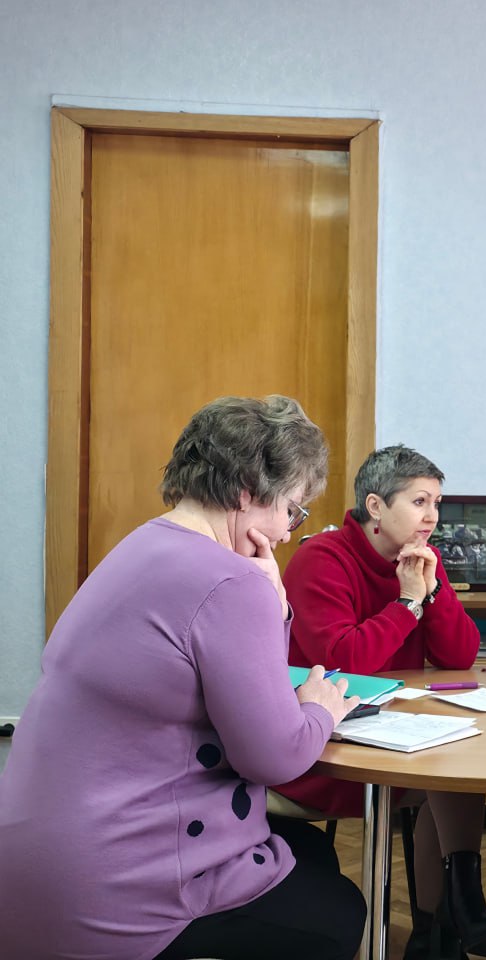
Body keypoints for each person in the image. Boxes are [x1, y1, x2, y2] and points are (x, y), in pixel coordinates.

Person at [0, 395, 366, 960]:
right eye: (292, 509)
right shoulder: (230, 581)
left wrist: (272, 601)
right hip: (113, 888)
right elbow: (274, 757)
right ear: (247, 491)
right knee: (339, 914)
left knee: (310, 853)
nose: (288, 532)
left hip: (33, 865)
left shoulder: (144, 544)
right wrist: (320, 707)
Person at [275, 444, 486, 959]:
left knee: (458, 759)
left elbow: (459, 656)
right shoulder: (322, 559)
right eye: (419, 501)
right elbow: (345, 661)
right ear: (376, 506)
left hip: (396, 733)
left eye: (437, 503)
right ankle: (455, 917)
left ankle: (442, 927)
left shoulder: (420, 559)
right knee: (442, 773)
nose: (432, 516)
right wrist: (408, 604)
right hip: (326, 743)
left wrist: (433, 591)